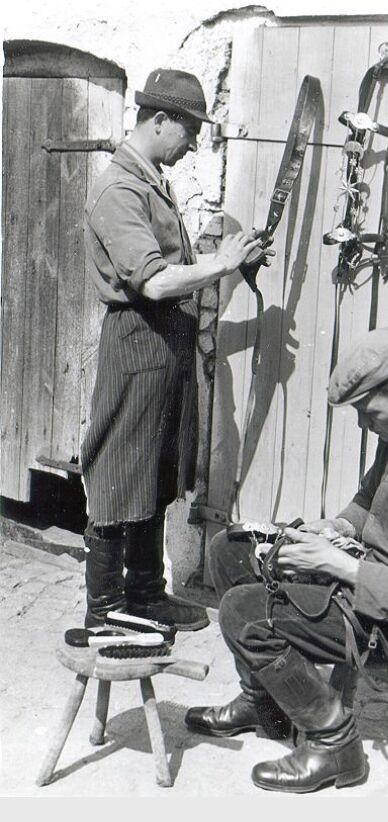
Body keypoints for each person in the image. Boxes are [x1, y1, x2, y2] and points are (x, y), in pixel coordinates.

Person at [185, 327, 388, 792]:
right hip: (367, 579)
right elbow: (367, 501)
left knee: (244, 613)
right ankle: (264, 703)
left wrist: (336, 565)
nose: (361, 424)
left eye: (365, 412)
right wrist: (333, 530)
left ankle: (336, 743)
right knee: (230, 548)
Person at [81, 69, 266, 630]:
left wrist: (234, 258)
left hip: (165, 346)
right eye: (189, 131)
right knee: (118, 472)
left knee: (157, 474)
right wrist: (220, 264)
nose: (192, 145)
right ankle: (104, 611)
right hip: (138, 342)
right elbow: (155, 282)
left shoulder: (151, 180)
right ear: (159, 120)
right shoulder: (119, 189)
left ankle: (144, 594)